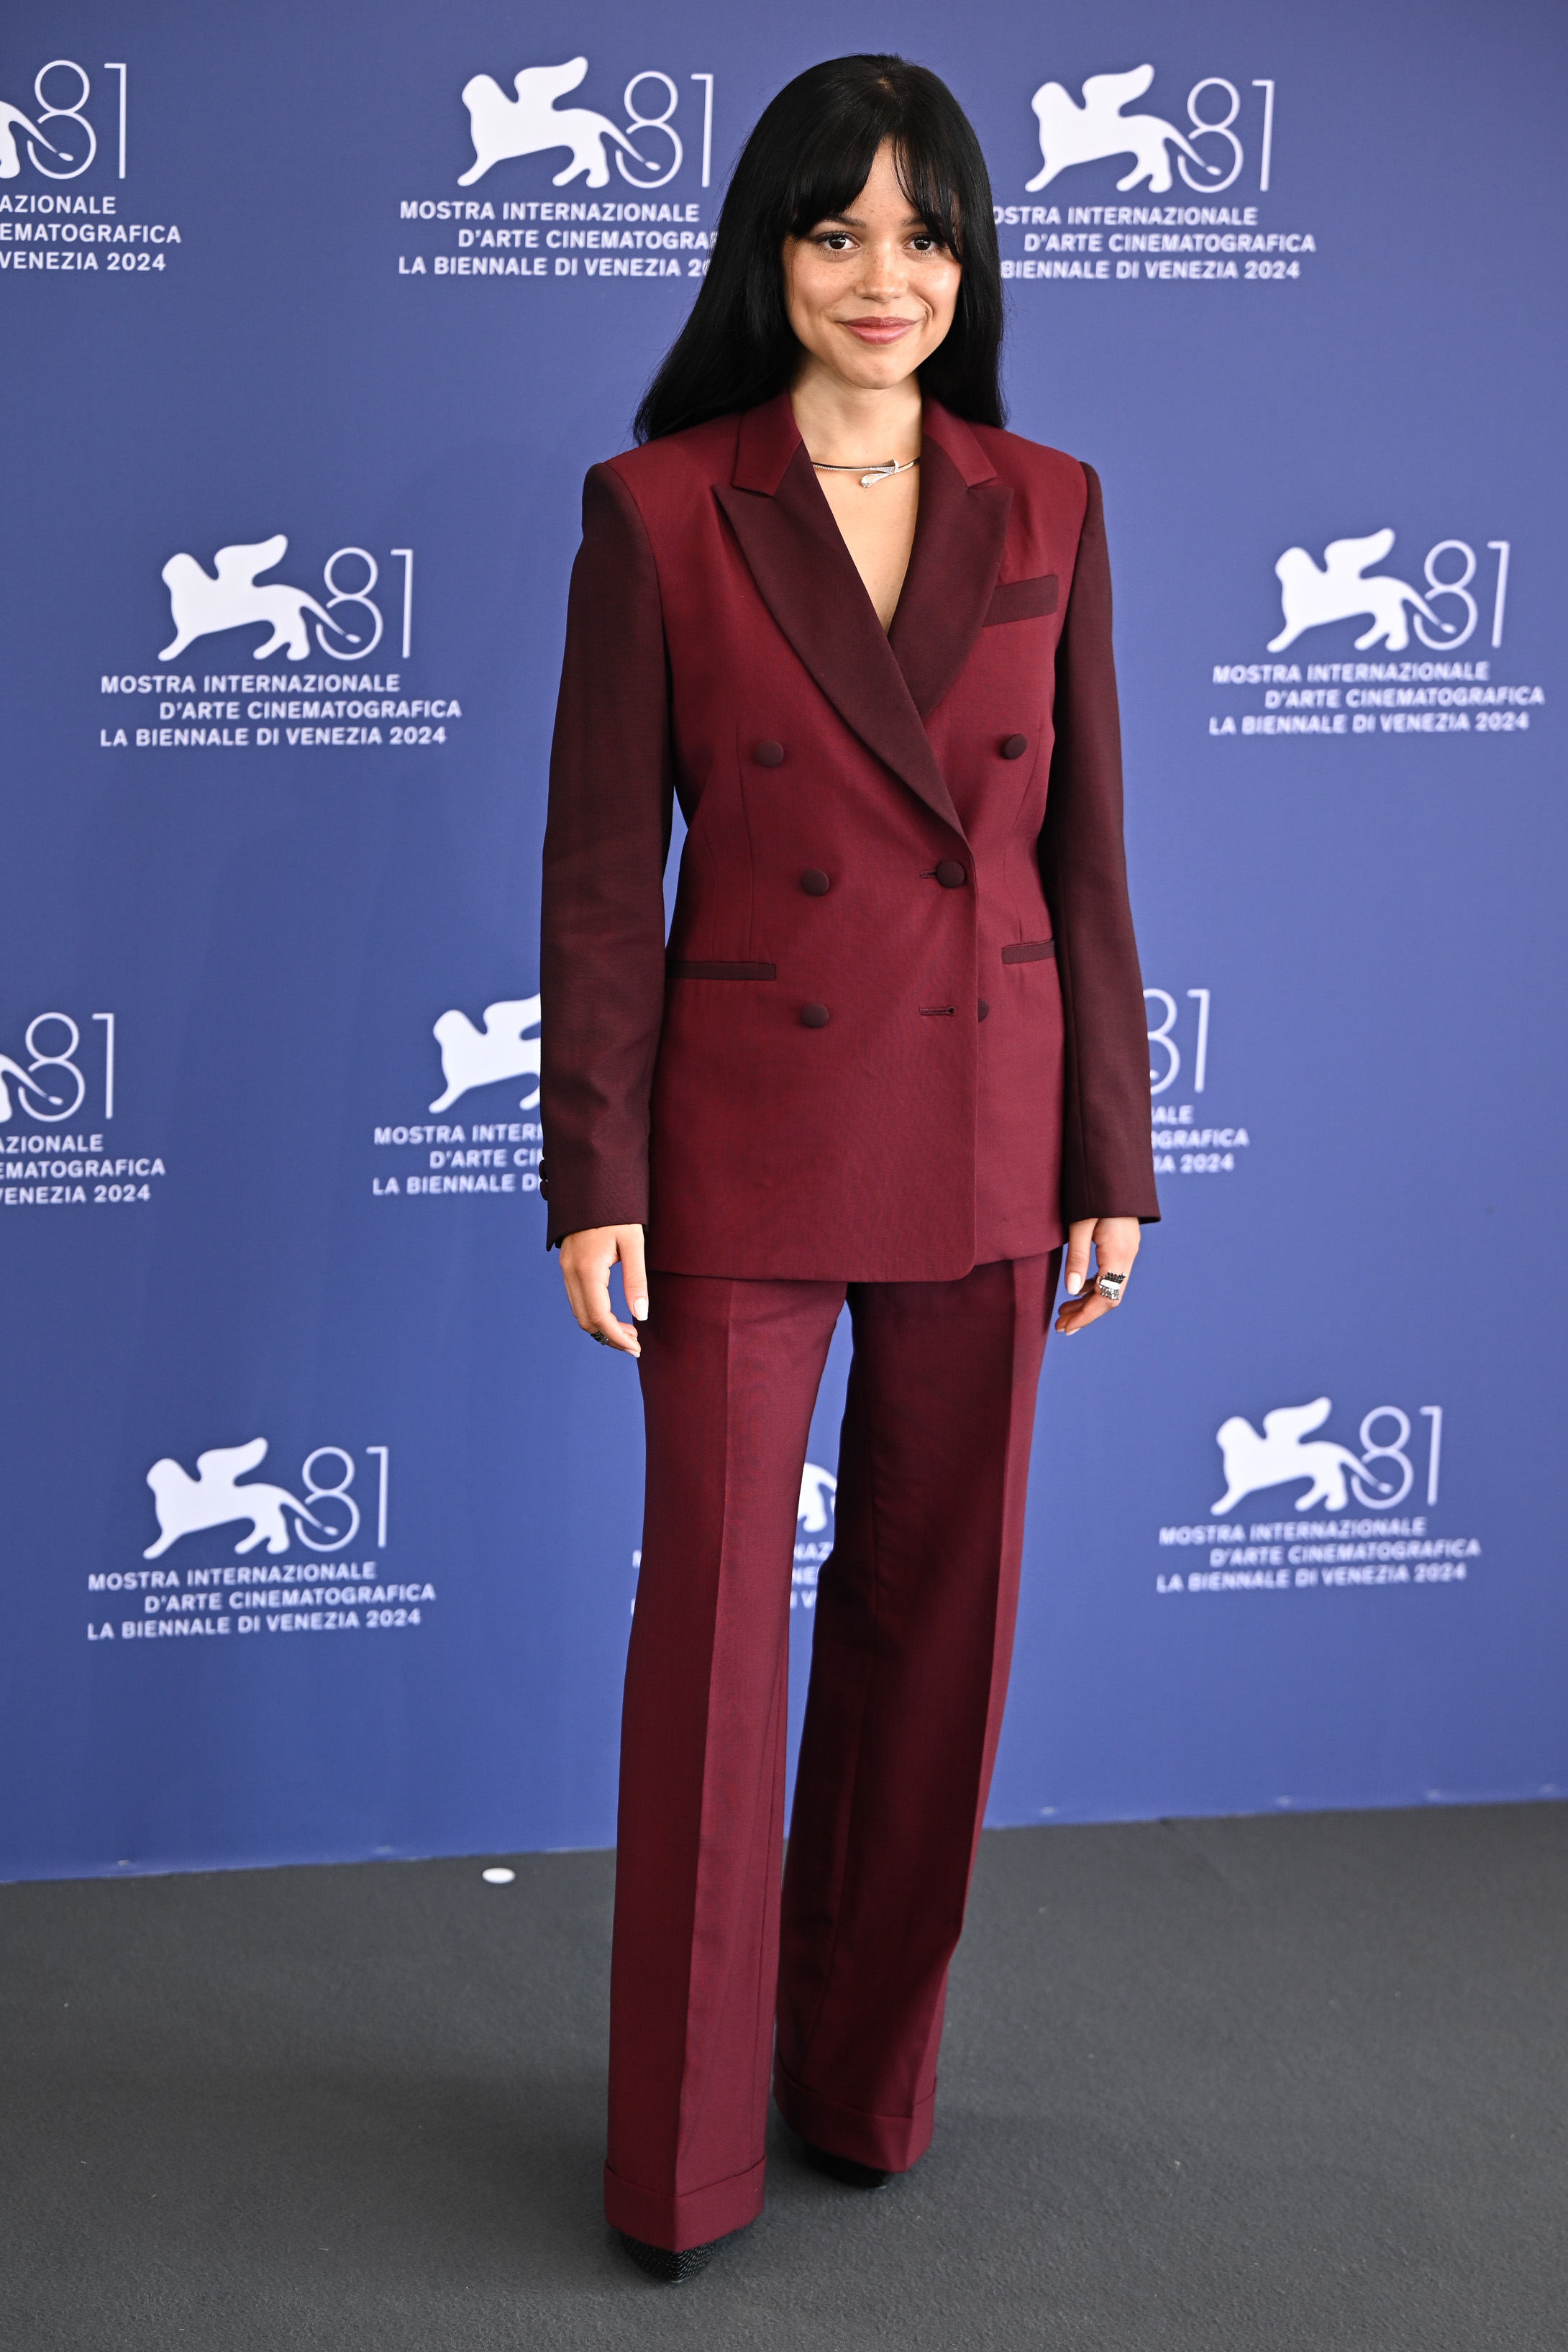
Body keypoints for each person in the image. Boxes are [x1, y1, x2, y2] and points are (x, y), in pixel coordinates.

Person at [539, 53, 1158, 2284]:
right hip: (744, 1141)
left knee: (936, 1627)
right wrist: (594, 1169)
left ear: (969, 257)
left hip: (993, 1131)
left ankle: (857, 2088)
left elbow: (1084, 865)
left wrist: (1110, 1153)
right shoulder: (661, 508)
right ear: (768, 257)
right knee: (711, 1650)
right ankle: (681, 2167)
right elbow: (607, 875)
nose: (880, 278)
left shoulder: (1055, 501)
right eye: (833, 232)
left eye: (920, 233)